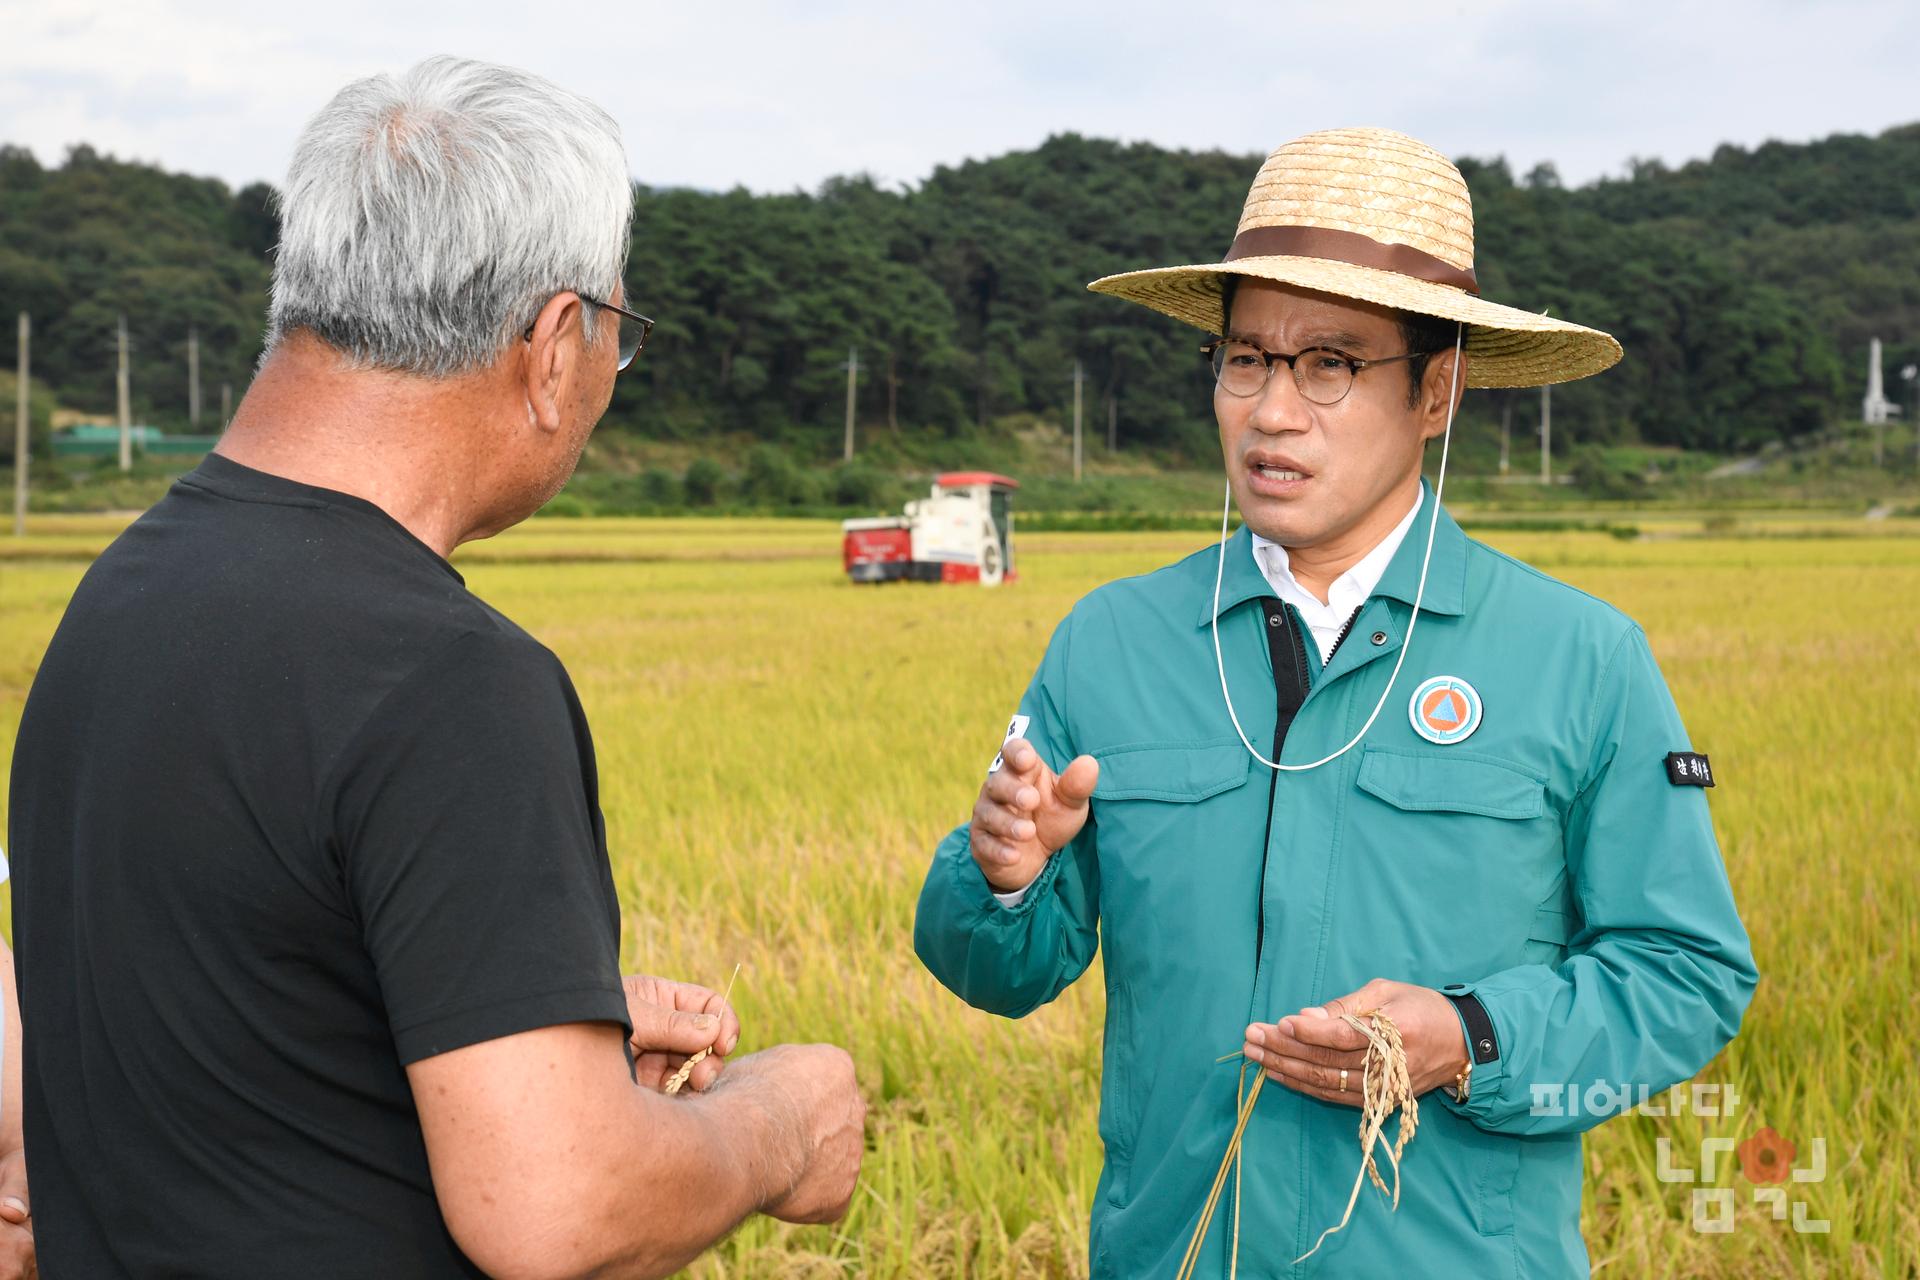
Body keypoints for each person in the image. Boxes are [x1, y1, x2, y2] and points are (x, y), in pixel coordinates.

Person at [9, 56, 862, 1279]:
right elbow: (557, 1206)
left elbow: (226, 1028)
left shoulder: (123, 594)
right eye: (619, 336)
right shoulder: (448, 680)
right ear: (557, 342)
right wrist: (778, 1121)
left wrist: (516, 1028)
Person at [914, 128, 1757, 1277]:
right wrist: (1002, 875)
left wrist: (1472, 1036)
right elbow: (994, 969)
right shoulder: (1110, 643)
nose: (1271, 410)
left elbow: (1687, 973)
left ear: (1438, 391)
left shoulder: (1580, 658)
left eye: (1331, 364)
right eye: (1245, 358)